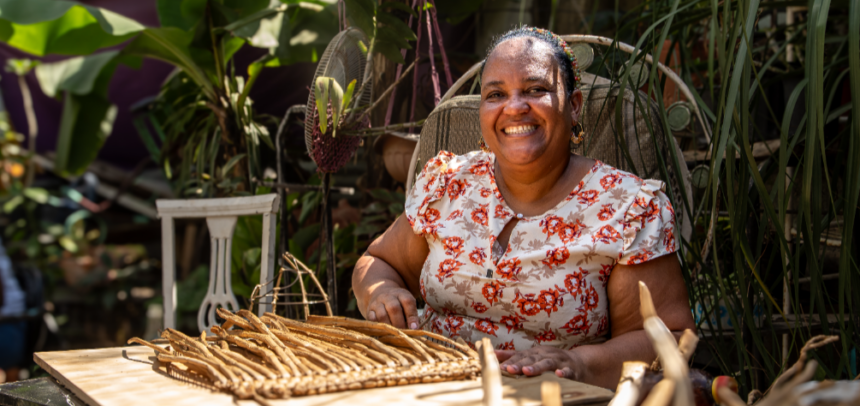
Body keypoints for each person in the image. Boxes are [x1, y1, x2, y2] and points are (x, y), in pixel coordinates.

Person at [352, 26, 695, 389]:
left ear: (574, 105)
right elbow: (379, 262)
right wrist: (381, 292)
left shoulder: (626, 209)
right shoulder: (449, 183)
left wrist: (578, 362)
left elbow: (670, 338)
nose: (514, 108)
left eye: (535, 90)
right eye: (496, 94)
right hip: (429, 387)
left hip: (551, 395)